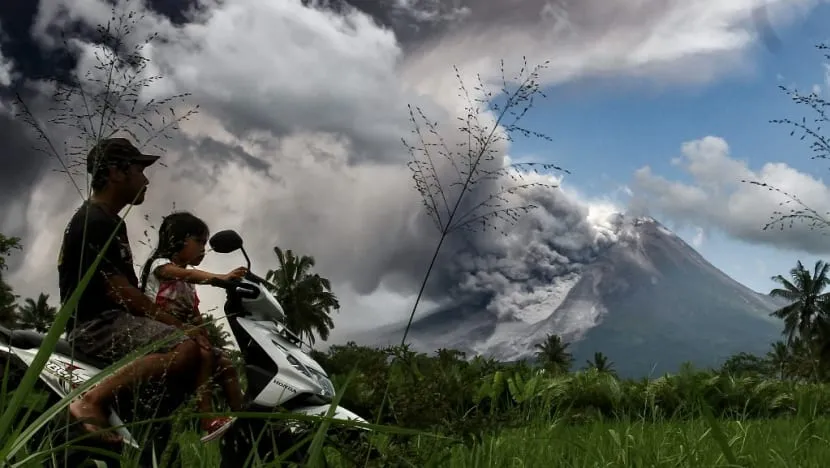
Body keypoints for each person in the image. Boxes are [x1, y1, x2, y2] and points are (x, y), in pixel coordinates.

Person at [57, 137, 215, 444]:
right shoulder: (95, 220)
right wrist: (178, 326)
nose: (146, 180)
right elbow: (123, 292)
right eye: (139, 170)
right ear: (116, 172)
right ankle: (90, 400)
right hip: (97, 326)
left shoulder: (110, 221)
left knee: (205, 360)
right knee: (182, 347)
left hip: (114, 323)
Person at [139, 211, 247, 442]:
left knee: (226, 363)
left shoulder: (188, 284)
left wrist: (205, 334)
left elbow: (194, 313)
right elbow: (186, 274)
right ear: (178, 239)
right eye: (199, 241)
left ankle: (244, 419)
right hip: (156, 332)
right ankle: (207, 419)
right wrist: (220, 279)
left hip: (182, 335)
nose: (203, 248)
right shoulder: (161, 265)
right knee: (206, 356)